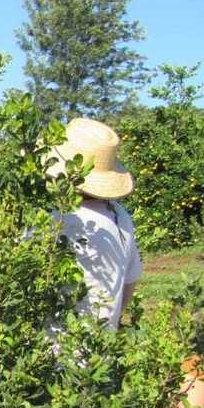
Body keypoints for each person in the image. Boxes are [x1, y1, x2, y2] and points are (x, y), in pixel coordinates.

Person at [48, 118, 142, 330]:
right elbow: (129, 282)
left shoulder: (63, 218)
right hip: (101, 350)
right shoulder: (120, 216)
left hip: (55, 355)